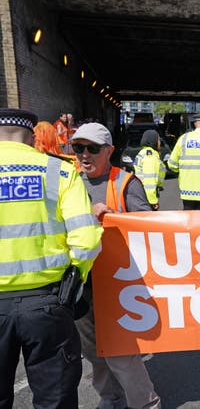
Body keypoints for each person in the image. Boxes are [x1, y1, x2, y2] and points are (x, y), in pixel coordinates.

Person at [0, 108, 103, 408]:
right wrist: (74, 281)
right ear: (32, 138)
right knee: (55, 398)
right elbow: (86, 240)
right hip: (48, 302)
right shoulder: (58, 171)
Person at [70, 122, 162, 409]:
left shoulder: (125, 182)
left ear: (109, 151)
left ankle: (145, 403)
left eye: (92, 149)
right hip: (80, 283)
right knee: (92, 350)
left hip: (118, 283)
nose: (85, 154)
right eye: (78, 148)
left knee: (120, 352)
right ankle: (110, 398)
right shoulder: (67, 180)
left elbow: (148, 227)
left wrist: (114, 217)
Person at [133, 129, 166, 211]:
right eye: (158, 139)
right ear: (153, 141)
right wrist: (153, 201)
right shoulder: (150, 157)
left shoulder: (144, 152)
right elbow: (149, 181)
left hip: (141, 193)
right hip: (146, 196)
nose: (159, 142)